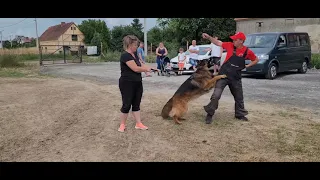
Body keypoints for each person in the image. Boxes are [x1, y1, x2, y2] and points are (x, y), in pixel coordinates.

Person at [202, 32, 259, 124]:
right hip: (223, 75)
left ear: (241, 41)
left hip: (235, 77)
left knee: (239, 97)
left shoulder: (247, 51)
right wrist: (209, 37)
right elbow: (217, 43)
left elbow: (256, 60)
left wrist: (247, 66)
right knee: (216, 95)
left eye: (235, 39)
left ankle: (240, 114)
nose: (233, 40)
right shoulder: (229, 45)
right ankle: (210, 114)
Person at [118, 35, 156, 132]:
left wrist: (150, 68)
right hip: (127, 83)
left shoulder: (134, 54)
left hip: (137, 82)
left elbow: (141, 64)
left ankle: (138, 123)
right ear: (129, 45)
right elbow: (135, 68)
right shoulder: (125, 56)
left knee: (136, 104)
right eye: (135, 44)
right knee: (126, 104)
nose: (136, 46)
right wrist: (145, 69)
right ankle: (122, 125)